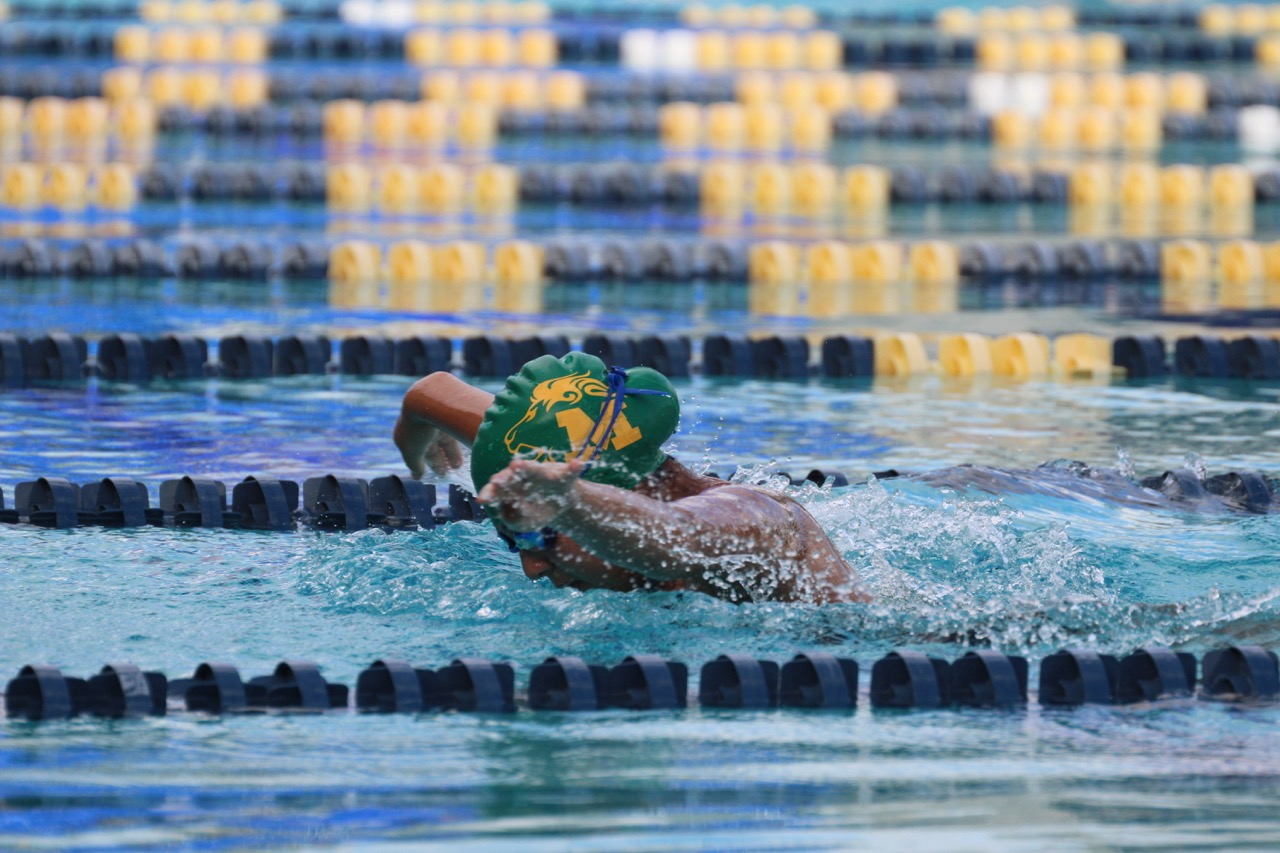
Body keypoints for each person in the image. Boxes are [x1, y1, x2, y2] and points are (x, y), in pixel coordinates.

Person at [394, 352, 868, 604]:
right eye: (513, 540)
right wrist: (416, 447)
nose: (533, 569)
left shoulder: (759, 521)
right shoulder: (535, 449)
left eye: (545, 536)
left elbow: (676, 539)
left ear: (632, 494)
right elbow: (430, 392)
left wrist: (571, 501)